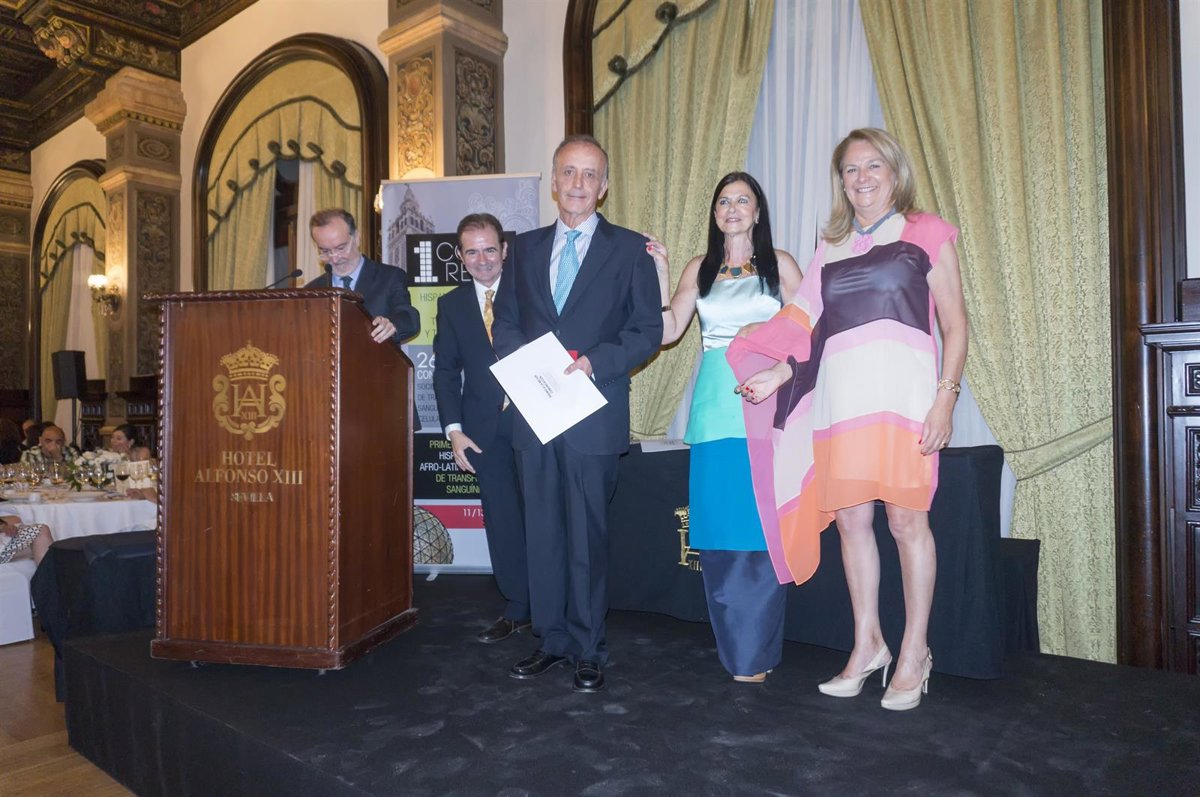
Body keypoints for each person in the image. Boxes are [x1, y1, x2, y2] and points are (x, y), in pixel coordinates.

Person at [731, 128, 969, 711]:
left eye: (873, 166)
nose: (862, 178)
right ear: (841, 181)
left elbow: (956, 325)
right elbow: (805, 326)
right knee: (851, 523)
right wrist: (776, 372)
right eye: (850, 169)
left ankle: (915, 652)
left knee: (907, 524)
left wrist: (945, 399)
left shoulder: (927, 231)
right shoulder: (831, 246)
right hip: (841, 404)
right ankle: (868, 645)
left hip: (905, 402)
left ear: (895, 171)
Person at [491, 134, 663, 693]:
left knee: (587, 536)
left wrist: (594, 362)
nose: (578, 183)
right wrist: (525, 364)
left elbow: (647, 330)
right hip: (535, 412)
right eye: (569, 172)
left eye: (591, 174)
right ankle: (551, 640)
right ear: (554, 180)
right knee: (541, 532)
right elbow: (506, 320)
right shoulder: (523, 249)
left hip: (593, 413)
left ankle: (589, 648)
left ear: (604, 187)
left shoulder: (631, 249)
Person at [644, 172, 803, 683]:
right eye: (723, 202)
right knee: (718, 532)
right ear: (715, 213)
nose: (732, 208)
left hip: (766, 405)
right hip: (714, 408)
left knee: (759, 532)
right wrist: (661, 273)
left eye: (742, 200)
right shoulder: (701, 268)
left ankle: (756, 654)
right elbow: (668, 331)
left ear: (758, 211)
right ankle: (738, 651)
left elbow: (811, 331)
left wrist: (778, 362)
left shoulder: (781, 265)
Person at [433, 213, 530, 644]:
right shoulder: (451, 304)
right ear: (460, 256)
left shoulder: (530, 292)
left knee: (543, 517)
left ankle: (554, 606)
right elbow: (445, 371)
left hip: (535, 422)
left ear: (505, 250)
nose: (483, 259)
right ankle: (518, 608)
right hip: (482, 432)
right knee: (503, 521)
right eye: (472, 252)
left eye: (490, 249)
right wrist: (453, 430)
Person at [306, 208, 420, 346]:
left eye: (341, 248)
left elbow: (408, 317)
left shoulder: (390, 277)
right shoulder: (311, 291)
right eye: (325, 251)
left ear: (357, 238)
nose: (334, 258)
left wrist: (392, 324)